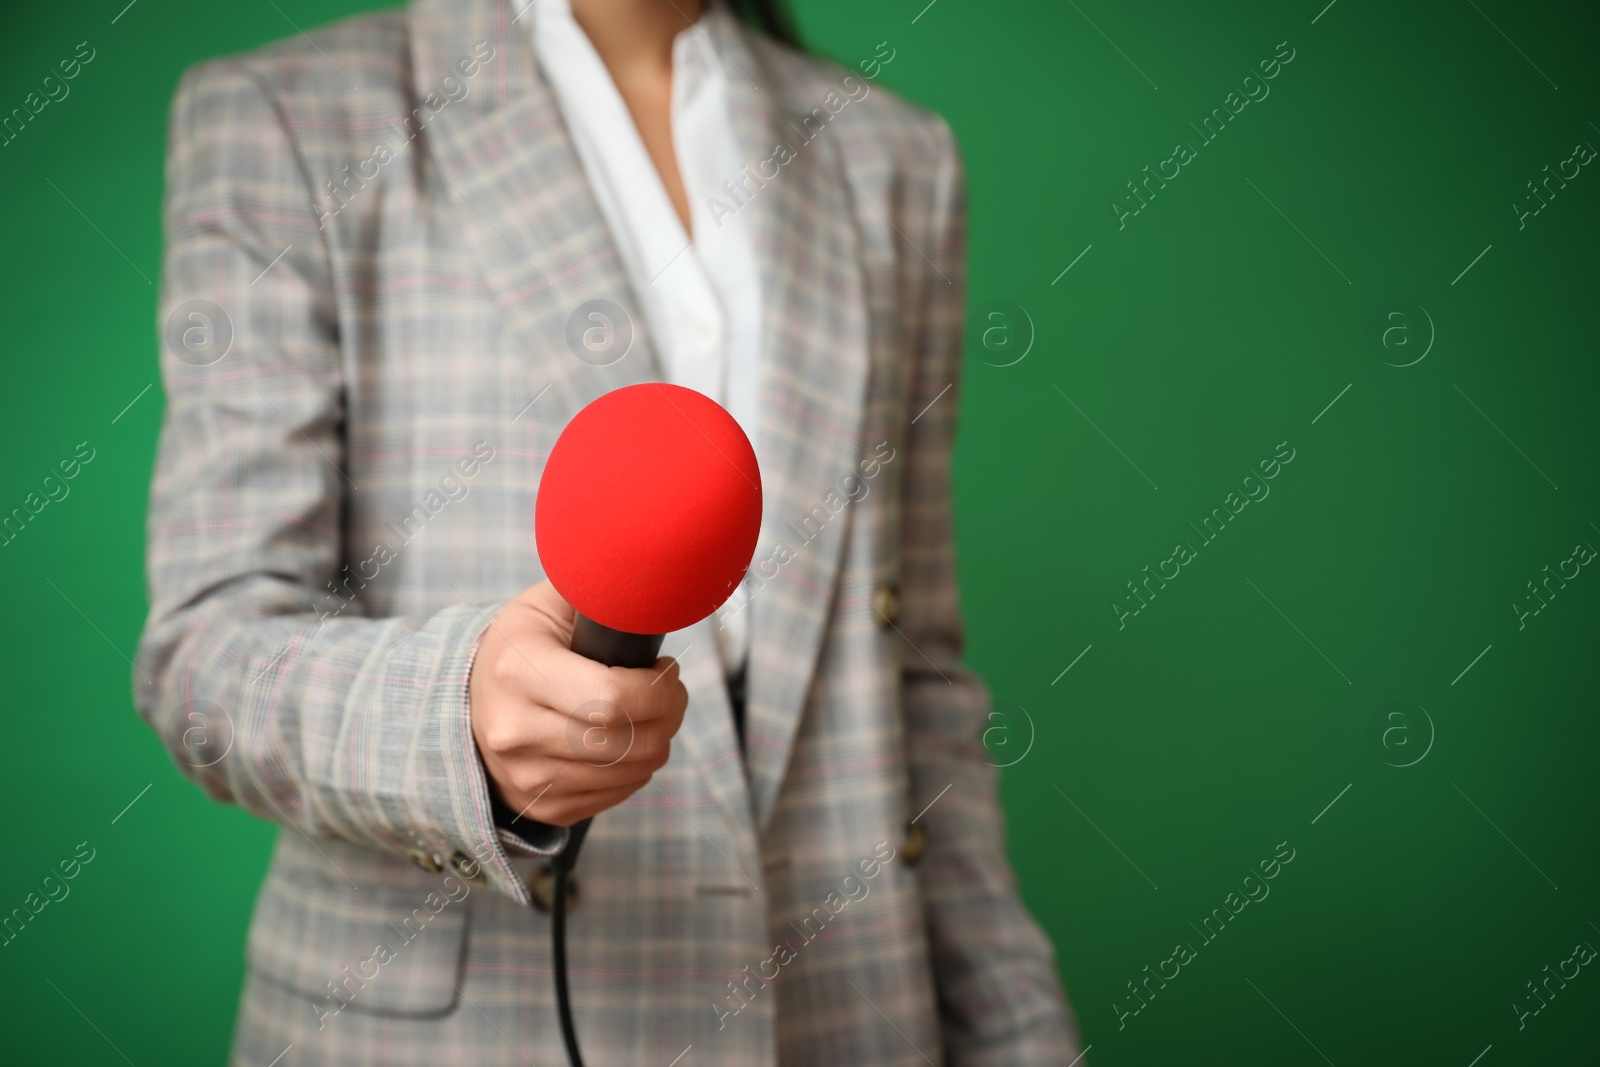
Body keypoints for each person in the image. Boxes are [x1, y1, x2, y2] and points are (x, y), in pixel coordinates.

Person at [136, 0, 1082, 1062]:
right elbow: (205, 651)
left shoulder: (894, 157)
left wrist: (1021, 1035)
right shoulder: (287, 116)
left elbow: (916, 680)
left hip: (845, 1009)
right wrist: (460, 716)